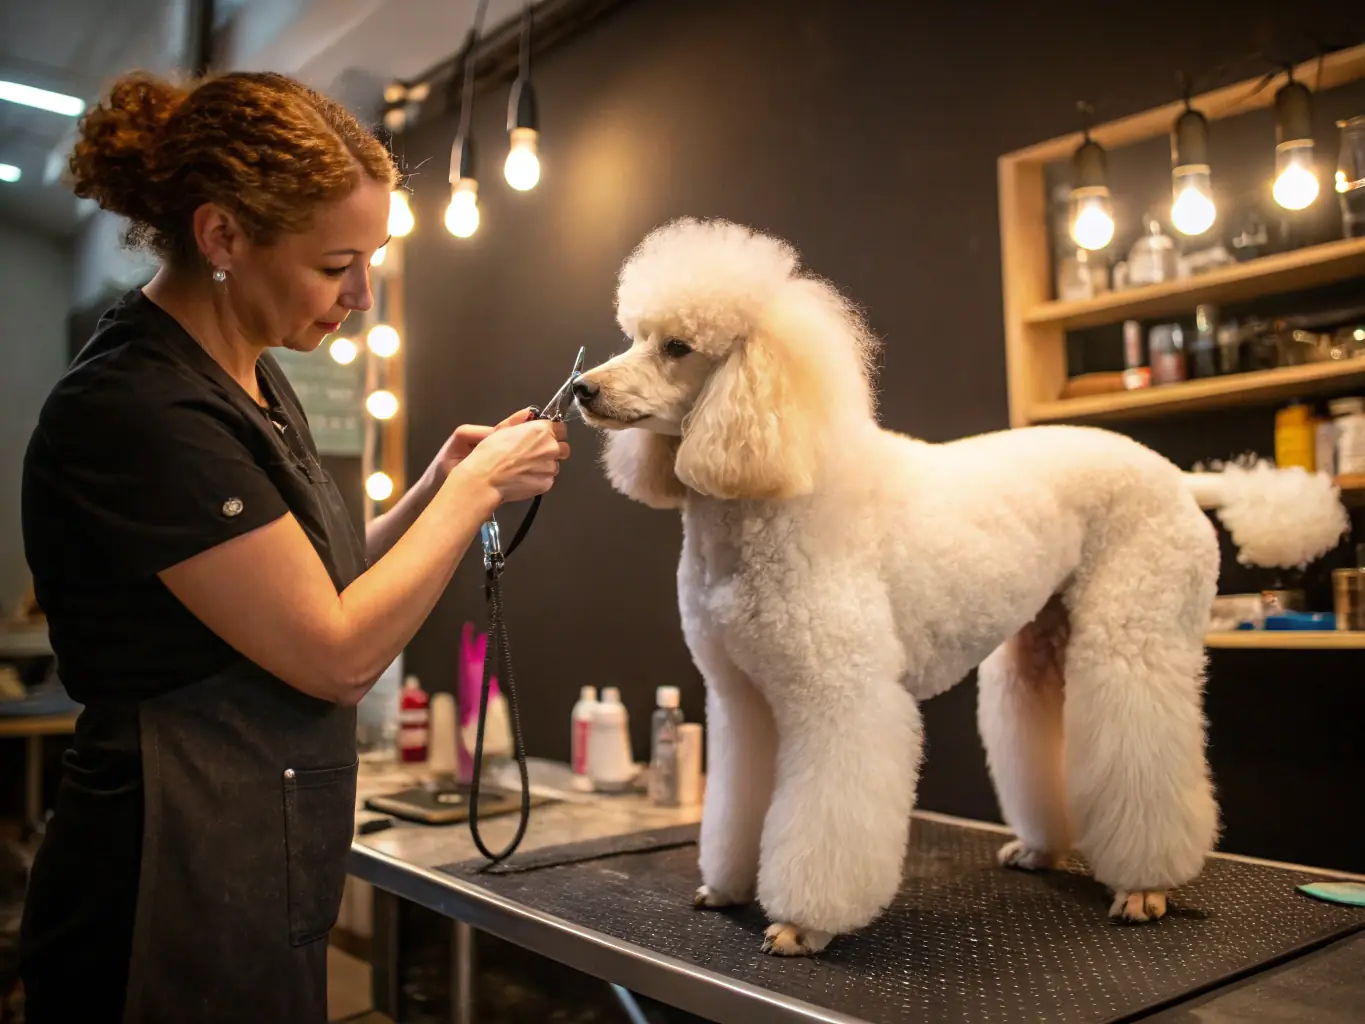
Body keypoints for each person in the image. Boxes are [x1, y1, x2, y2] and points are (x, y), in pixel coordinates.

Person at [17, 69, 570, 1023]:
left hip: (254, 852)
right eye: (333, 265)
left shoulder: (251, 382)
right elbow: (338, 653)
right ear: (222, 234)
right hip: (162, 875)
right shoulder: (139, 407)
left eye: (373, 261)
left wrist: (437, 484)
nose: (360, 293)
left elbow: (324, 591)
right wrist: (473, 493)